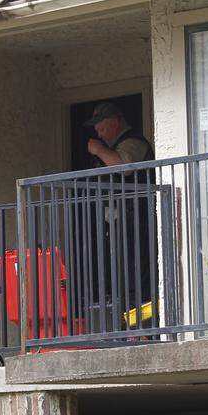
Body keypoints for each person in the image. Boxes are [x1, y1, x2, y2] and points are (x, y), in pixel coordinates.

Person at [83, 103, 157, 328]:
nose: (98, 134)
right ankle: (131, 329)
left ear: (115, 121)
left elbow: (124, 167)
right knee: (123, 280)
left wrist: (98, 150)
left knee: (138, 280)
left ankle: (144, 330)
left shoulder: (133, 142)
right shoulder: (114, 147)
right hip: (120, 225)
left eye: (101, 128)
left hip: (137, 223)